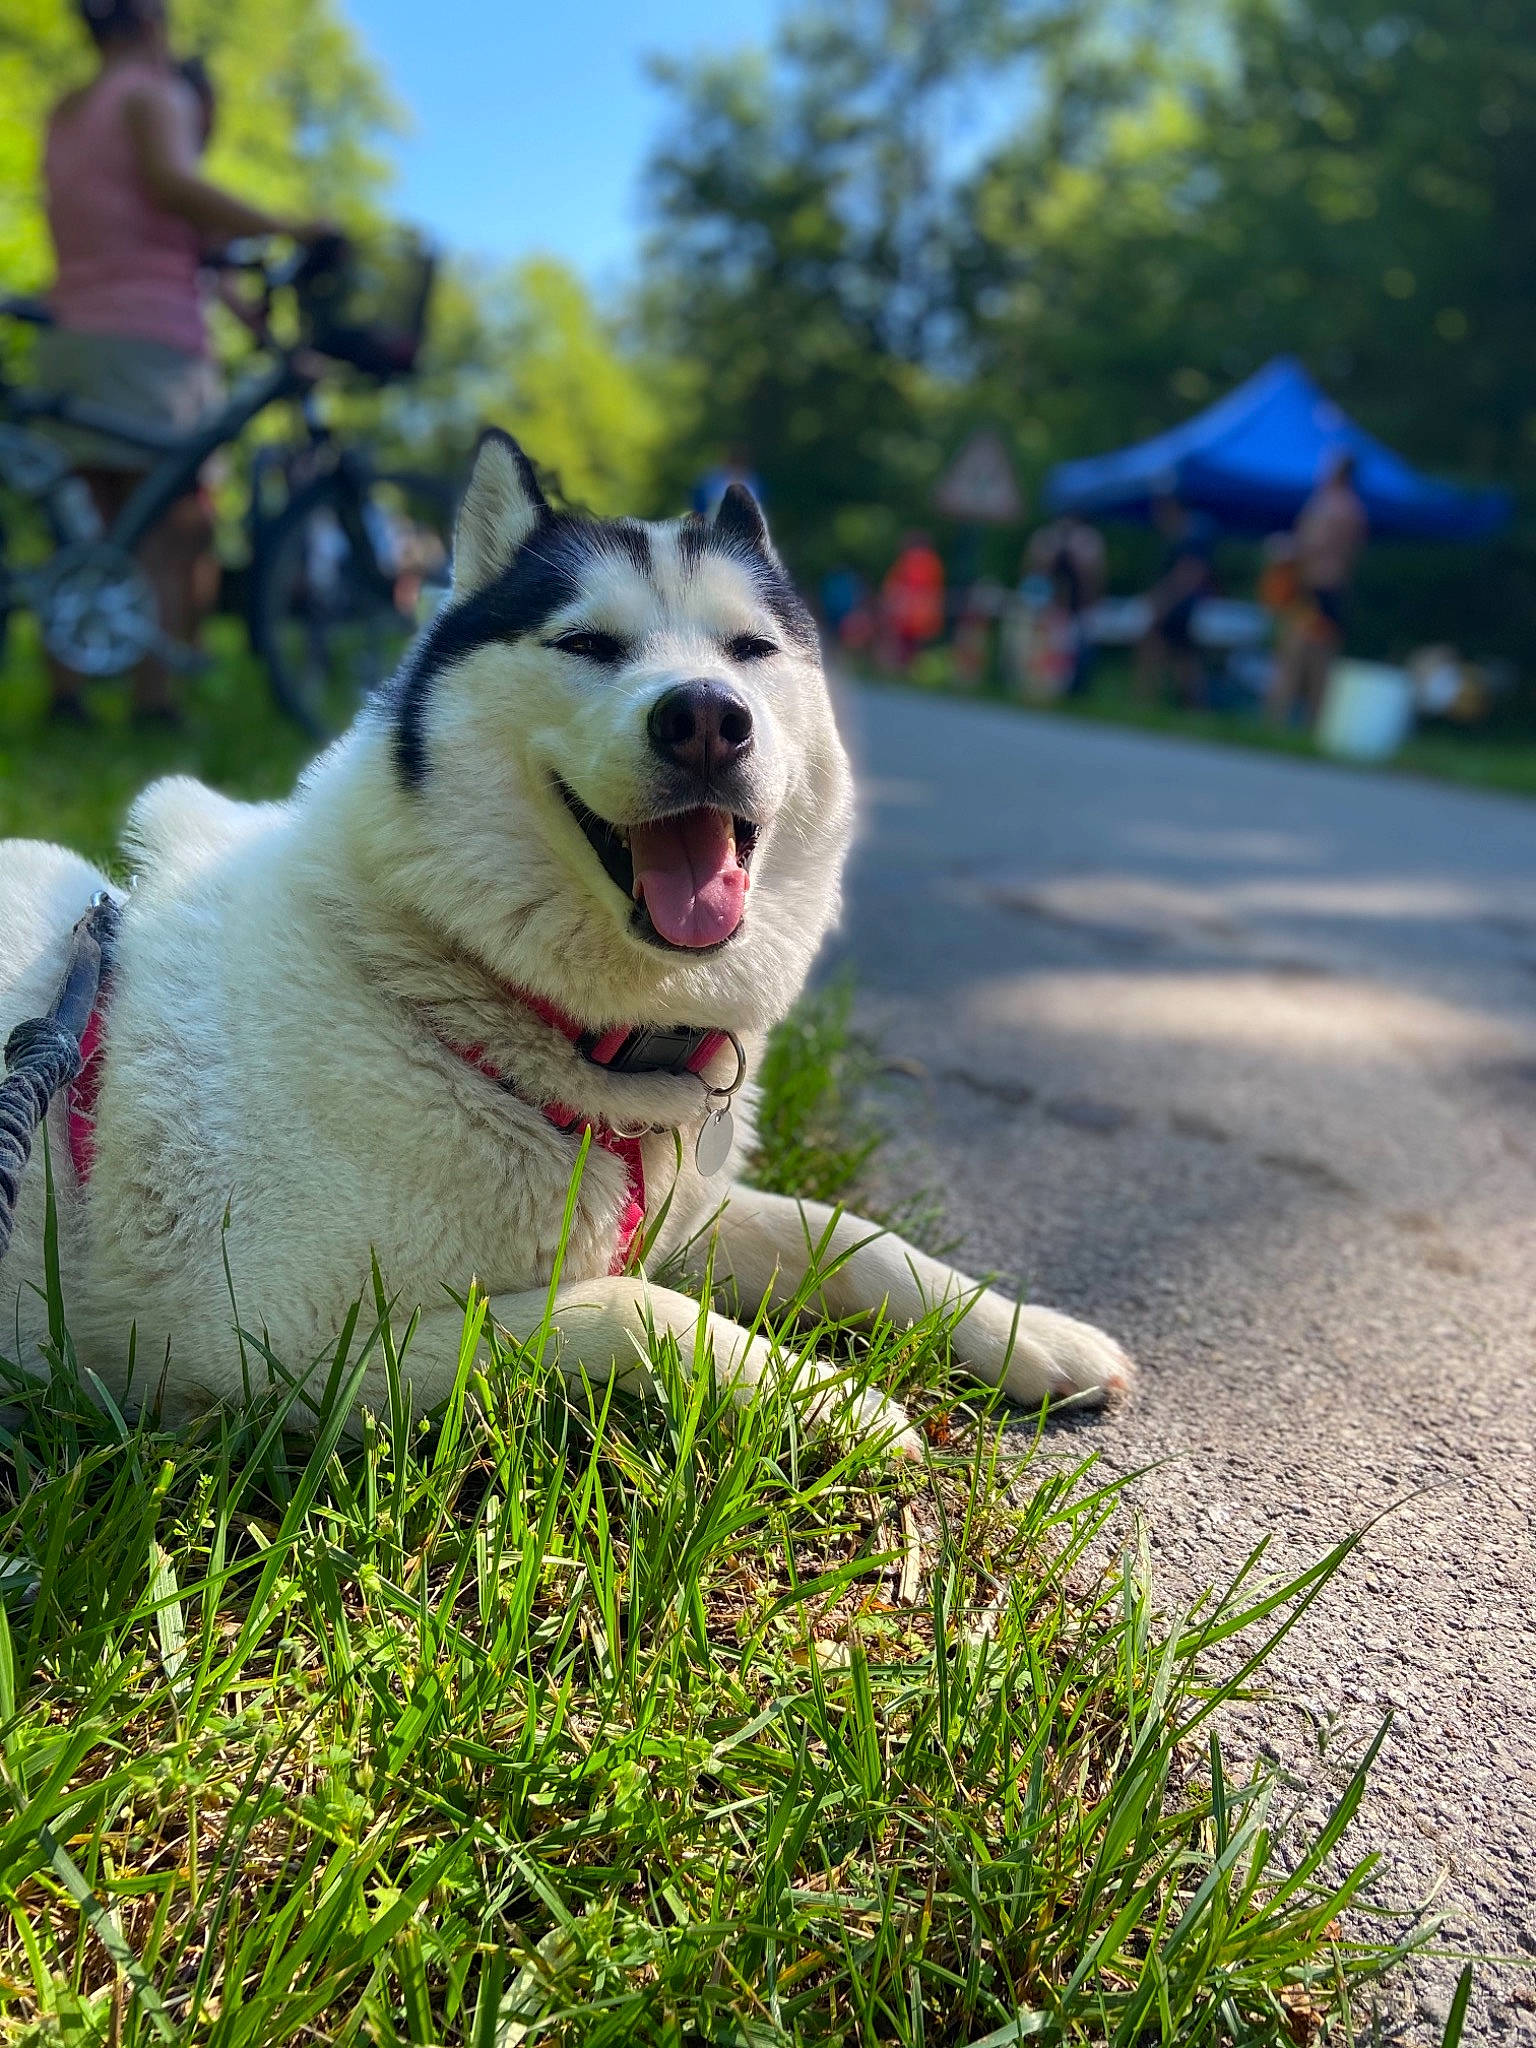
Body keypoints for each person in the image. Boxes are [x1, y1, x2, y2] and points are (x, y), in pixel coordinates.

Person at [39, 0, 331, 721]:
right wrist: (290, 225)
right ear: (149, 23)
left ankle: (67, 699)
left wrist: (263, 334)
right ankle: (154, 704)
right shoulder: (151, 93)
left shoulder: (70, 111)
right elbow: (175, 184)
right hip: (152, 343)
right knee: (174, 527)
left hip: (71, 333)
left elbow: (179, 240)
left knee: (86, 525)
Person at [1267, 448, 1370, 727]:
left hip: (1312, 589)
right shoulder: (1355, 509)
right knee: (1322, 661)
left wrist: (1284, 550)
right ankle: (1316, 724)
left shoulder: (1326, 504)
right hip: (1336, 589)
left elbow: (1311, 545)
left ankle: (1276, 719)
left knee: (1293, 656)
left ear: (1336, 471)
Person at [1135, 493, 1217, 706]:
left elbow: (1190, 573)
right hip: (1181, 604)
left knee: (1157, 648)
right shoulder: (1186, 534)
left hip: (1180, 605)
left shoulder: (1189, 535)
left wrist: (1163, 599)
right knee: (1183, 657)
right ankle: (1191, 705)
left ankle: (1147, 700)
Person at [878, 532, 945, 672]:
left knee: (904, 642)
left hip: (910, 610)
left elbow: (899, 585)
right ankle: (907, 668)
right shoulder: (931, 562)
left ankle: (900, 667)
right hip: (918, 611)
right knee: (910, 643)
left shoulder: (915, 560)